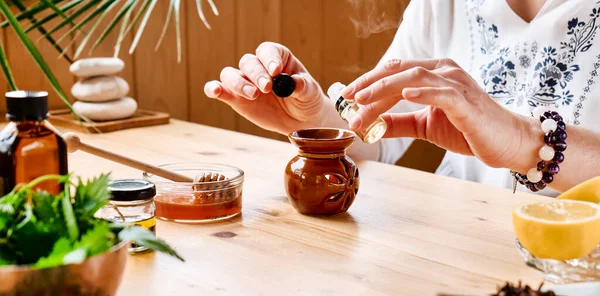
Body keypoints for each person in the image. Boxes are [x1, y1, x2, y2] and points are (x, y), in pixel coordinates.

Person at [204, 0, 600, 195]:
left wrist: (522, 141)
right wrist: (313, 121)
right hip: (454, 250)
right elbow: (379, 135)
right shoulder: (441, 4)